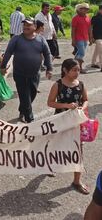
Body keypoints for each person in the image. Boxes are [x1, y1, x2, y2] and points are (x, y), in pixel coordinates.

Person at [47, 58, 89, 194]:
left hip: (76, 122)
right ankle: (49, 166)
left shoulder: (81, 84)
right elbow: (50, 103)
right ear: (65, 70)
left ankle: (77, 181)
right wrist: (66, 105)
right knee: (56, 145)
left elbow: (86, 100)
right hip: (60, 121)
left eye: (78, 70)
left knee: (78, 150)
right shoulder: (57, 85)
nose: (77, 72)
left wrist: (83, 108)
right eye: (74, 70)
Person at [0, 17, 52, 122]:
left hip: (35, 74)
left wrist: (49, 68)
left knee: (32, 94)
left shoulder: (40, 39)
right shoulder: (16, 39)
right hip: (20, 74)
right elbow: (8, 52)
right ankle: (29, 119)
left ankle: (22, 110)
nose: (26, 27)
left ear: (35, 26)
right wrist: (3, 66)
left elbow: (47, 53)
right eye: (24, 25)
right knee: (24, 95)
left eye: (28, 25)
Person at [71, 3, 92, 74]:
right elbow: (73, 30)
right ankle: (78, 67)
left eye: (87, 9)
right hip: (78, 38)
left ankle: (73, 65)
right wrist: (73, 40)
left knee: (80, 54)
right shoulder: (75, 18)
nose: (86, 10)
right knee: (82, 52)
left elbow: (89, 29)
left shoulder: (88, 17)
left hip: (85, 38)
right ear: (80, 10)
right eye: (84, 9)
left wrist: (90, 38)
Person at [91, 4, 102, 70]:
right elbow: (91, 28)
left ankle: (93, 63)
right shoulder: (95, 18)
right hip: (97, 37)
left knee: (97, 51)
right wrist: (91, 37)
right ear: (100, 10)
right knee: (101, 51)